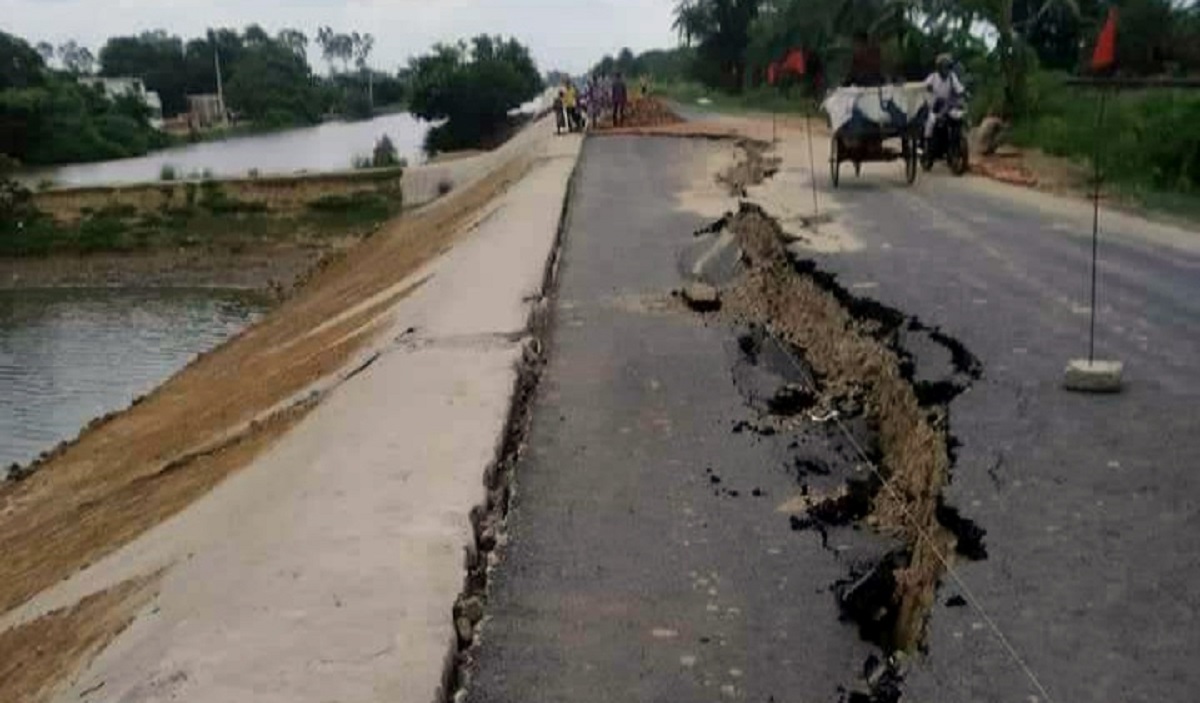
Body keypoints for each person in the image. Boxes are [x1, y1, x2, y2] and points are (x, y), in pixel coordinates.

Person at [924, 54, 965, 140]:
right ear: (939, 67)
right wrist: (928, 90)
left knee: (959, 118)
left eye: (949, 66)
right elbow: (925, 88)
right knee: (930, 123)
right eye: (945, 66)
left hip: (948, 105)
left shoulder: (952, 77)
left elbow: (959, 90)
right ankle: (926, 145)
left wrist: (960, 96)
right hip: (935, 106)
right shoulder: (932, 77)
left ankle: (957, 140)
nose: (948, 69)